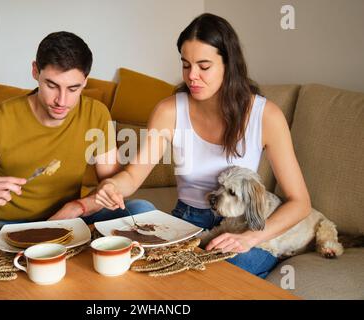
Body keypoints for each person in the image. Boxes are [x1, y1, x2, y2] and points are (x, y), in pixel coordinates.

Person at [95, 13, 311, 278]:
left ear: (228, 64)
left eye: (203, 66)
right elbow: (132, 175)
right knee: (138, 210)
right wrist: (113, 185)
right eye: (185, 65)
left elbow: (300, 203)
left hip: (242, 227)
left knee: (227, 269)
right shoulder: (170, 110)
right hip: (189, 221)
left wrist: (250, 238)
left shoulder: (266, 116)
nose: (192, 76)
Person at [0, 31, 154, 240]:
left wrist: (77, 207)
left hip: (68, 218)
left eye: (73, 88)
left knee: (142, 209)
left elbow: (111, 189)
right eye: (52, 85)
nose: (62, 101)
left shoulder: (96, 114)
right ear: (35, 71)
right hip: (8, 226)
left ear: (86, 80)